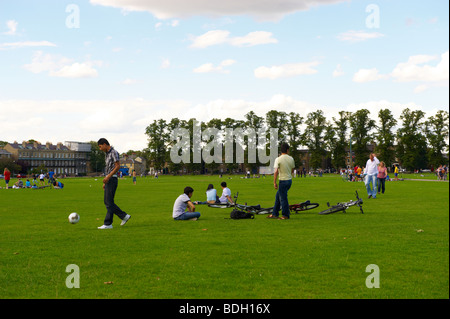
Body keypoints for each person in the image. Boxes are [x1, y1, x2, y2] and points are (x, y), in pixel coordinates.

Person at [97, 138, 131, 229]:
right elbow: (108, 167)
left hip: (112, 179)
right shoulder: (106, 154)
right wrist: (106, 180)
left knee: (108, 202)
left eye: (100, 147)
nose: (100, 149)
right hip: (109, 179)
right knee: (108, 202)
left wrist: (108, 177)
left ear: (104, 144)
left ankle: (110, 223)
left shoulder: (114, 152)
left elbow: (117, 166)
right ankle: (120, 218)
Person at [267, 143, 295, 220]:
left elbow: (276, 171)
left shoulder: (278, 159)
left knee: (283, 198)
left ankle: (285, 215)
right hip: (289, 181)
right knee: (278, 197)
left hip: (282, 180)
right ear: (287, 150)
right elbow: (292, 169)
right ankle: (274, 213)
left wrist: (274, 182)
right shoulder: (291, 159)